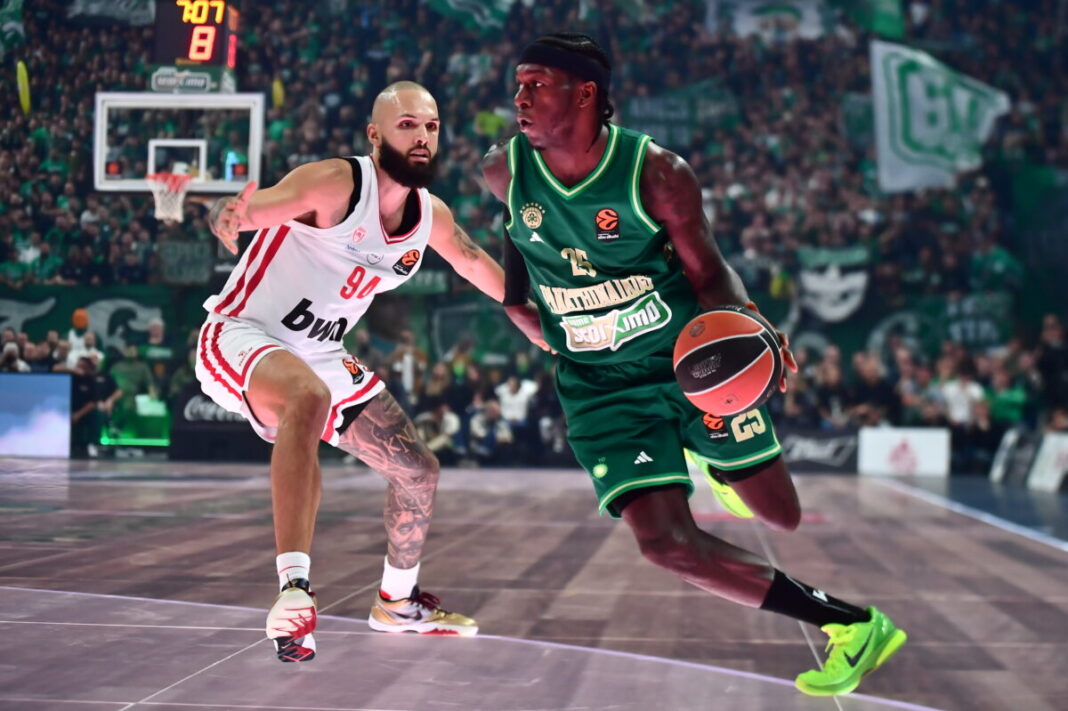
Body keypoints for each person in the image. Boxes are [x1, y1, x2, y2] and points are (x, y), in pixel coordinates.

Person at [481, 33, 906, 697]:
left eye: (536, 83)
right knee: (665, 545)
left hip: (688, 367)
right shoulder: (502, 171)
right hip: (600, 390)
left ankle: (712, 458)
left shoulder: (656, 173)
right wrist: (531, 316)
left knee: (781, 516)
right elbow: (517, 258)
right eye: (519, 84)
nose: (519, 97)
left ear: (585, 93)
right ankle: (851, 626)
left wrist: (751, 325)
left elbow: (708, 273)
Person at [201, 81, 537, 662]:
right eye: (407, 125)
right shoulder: (335, 183)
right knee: (307, 396)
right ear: (374, 135)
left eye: (431, 126)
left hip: (319, 351)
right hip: (242, 333)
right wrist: (226, 214)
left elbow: (475, 265)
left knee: (418, 471)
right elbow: (251, 209)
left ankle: (397, 603)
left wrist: (537, 321)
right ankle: (293, 589)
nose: (422, 136)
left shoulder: (429, 216)